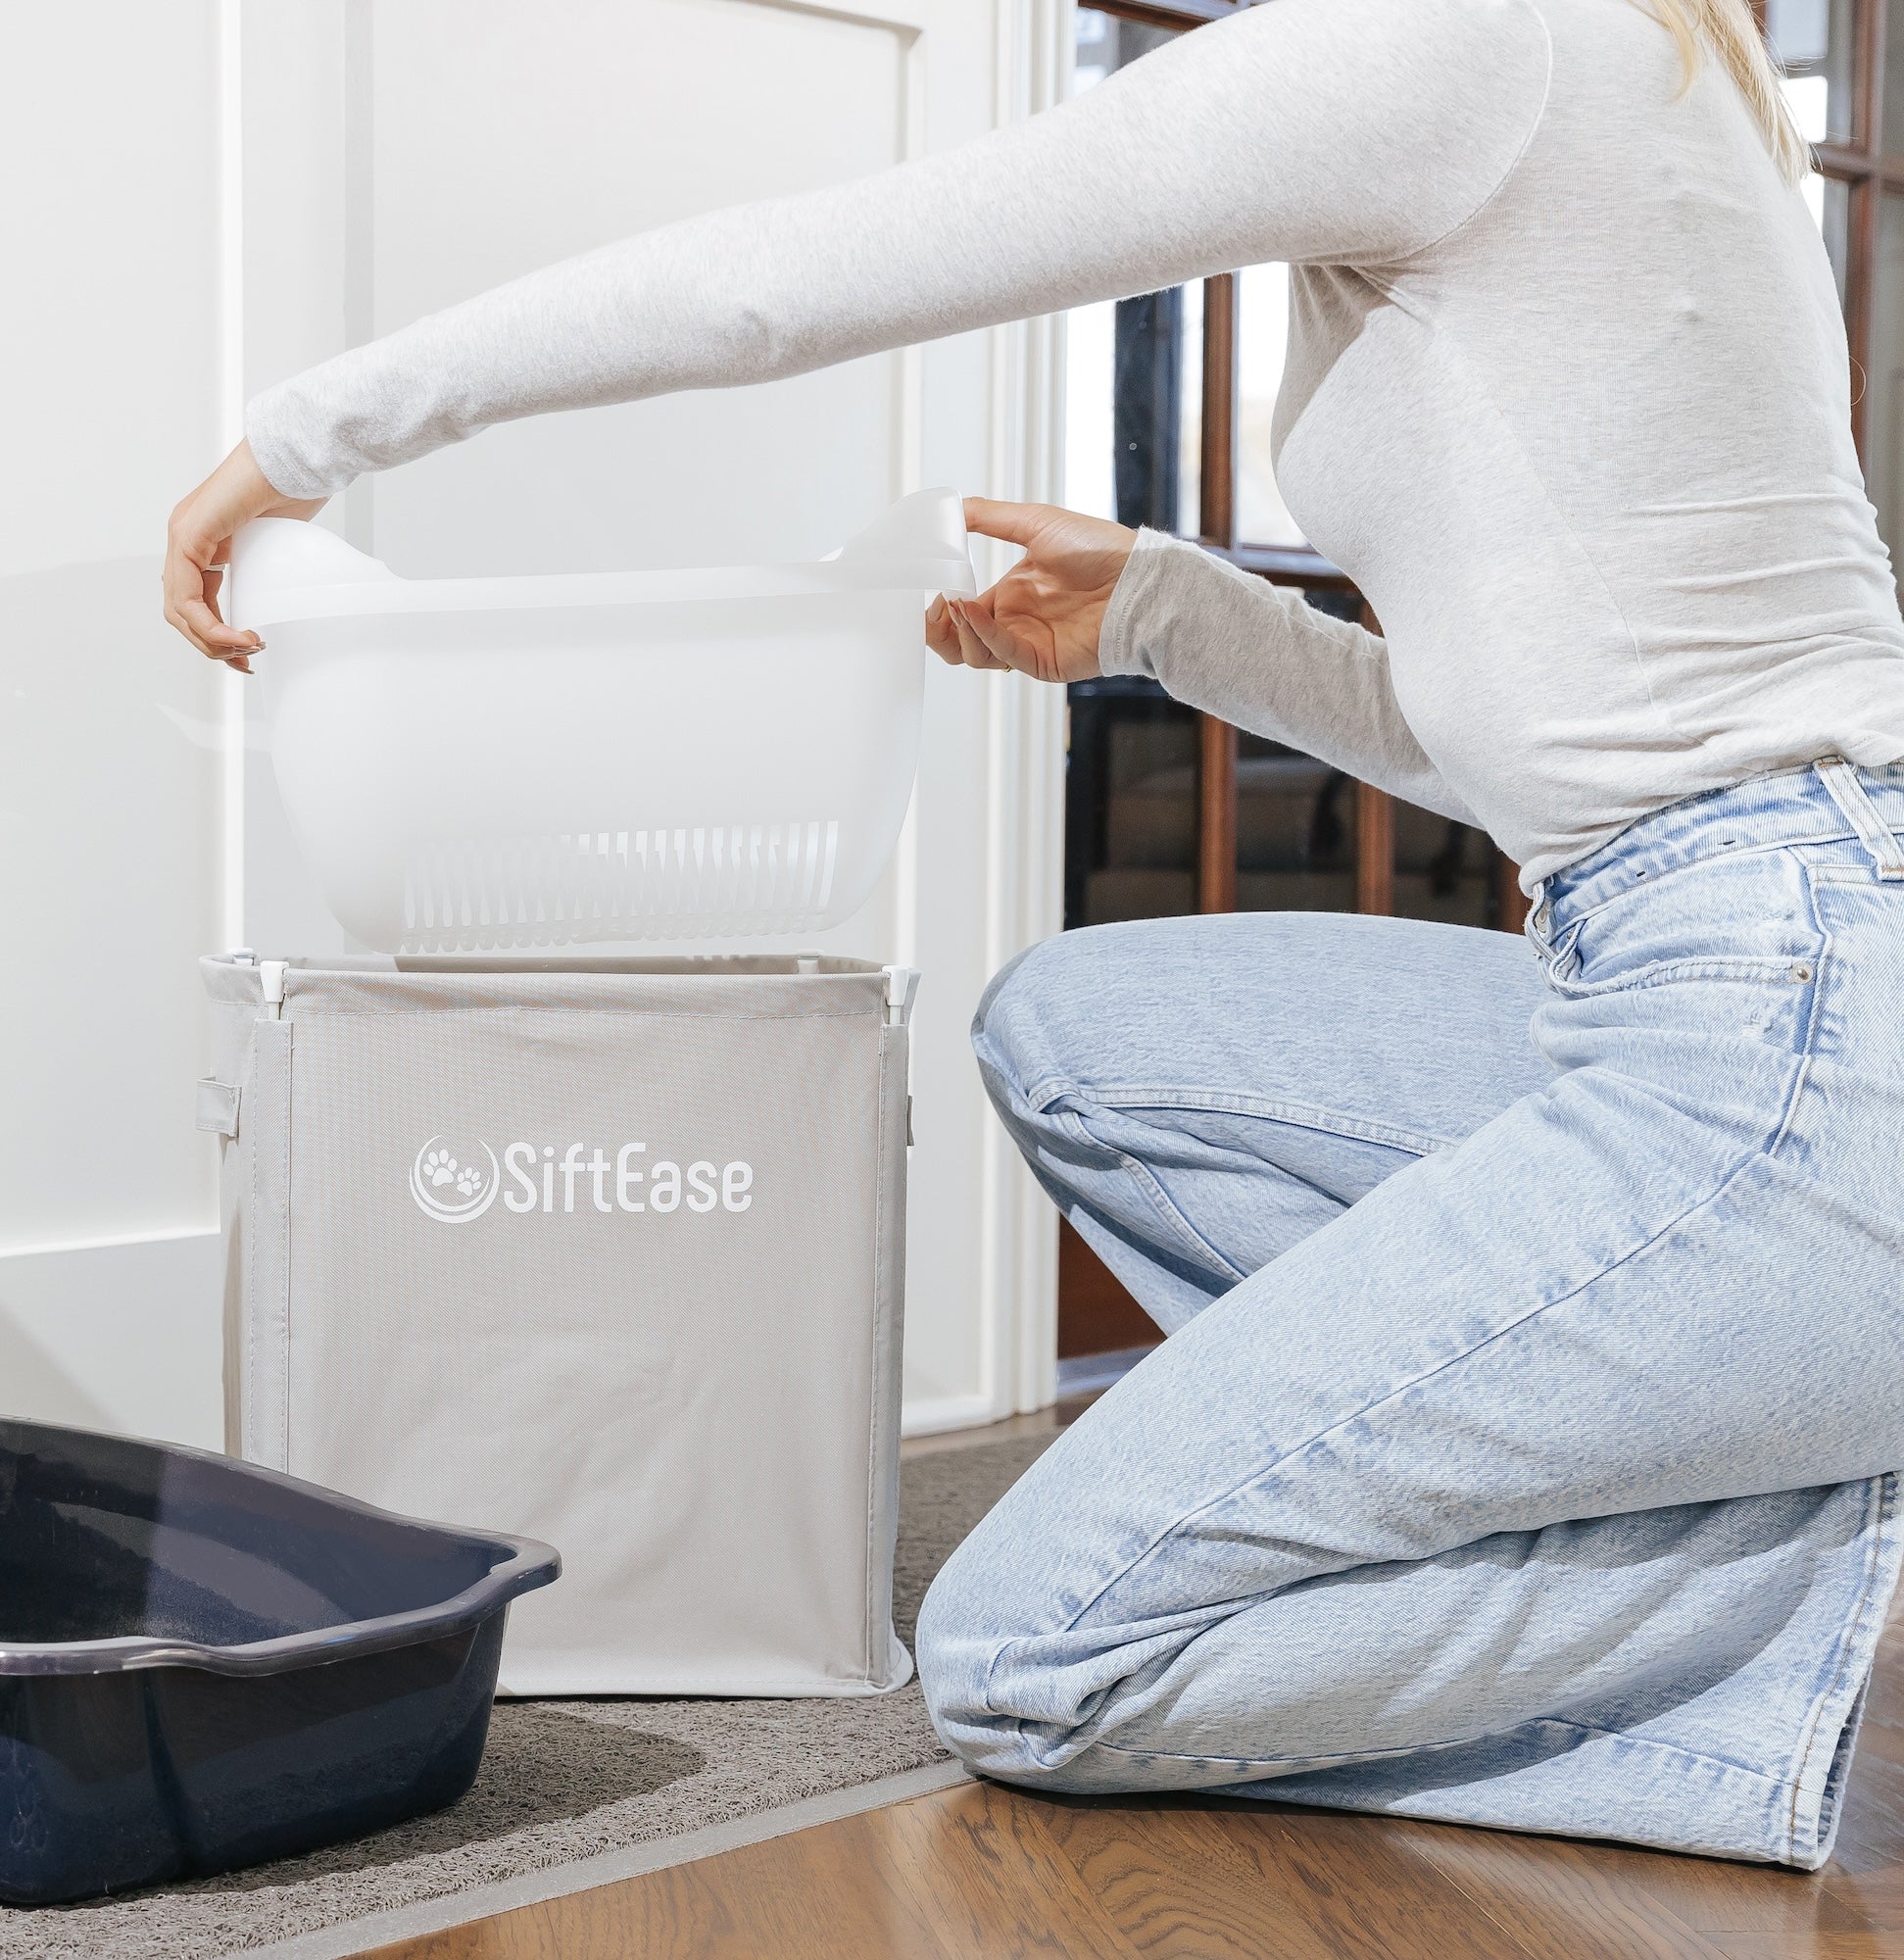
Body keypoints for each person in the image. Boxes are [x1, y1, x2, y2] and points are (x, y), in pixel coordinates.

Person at [165, 0, 1904, 1868]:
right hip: (1743, 954)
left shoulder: (1457, 39)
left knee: (1037, 1660)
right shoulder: (1659, 67)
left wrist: (300, 437)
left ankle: (1780, 1602)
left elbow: (788, 285)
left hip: (1789, 1023)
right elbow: (1548, 749)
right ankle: (1765, 1425)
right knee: (1080, 1026)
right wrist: (1170, 609)